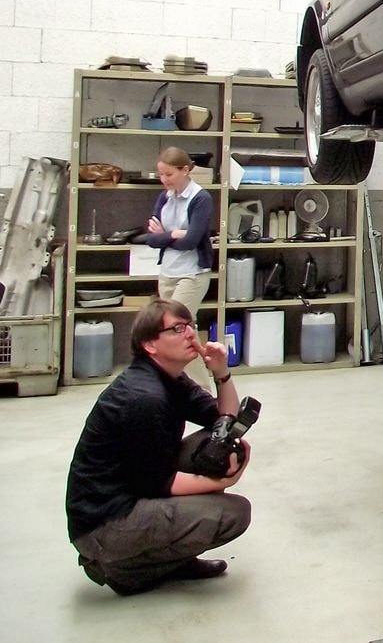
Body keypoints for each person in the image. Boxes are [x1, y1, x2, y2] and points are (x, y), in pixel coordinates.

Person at [65, 299, 252, 596]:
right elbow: (157, 482)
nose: (190, 333)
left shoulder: (170, 377)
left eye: (190, 325)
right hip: (104, 524)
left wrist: (222, 373)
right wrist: (224, 480)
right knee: (234, 512)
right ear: (150, 344)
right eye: (177, 329)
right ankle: (125, 570)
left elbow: (223, 420)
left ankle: (166, 557)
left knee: (216, 443)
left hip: (133, 490)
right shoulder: (144, 397)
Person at [144, 148, 216, 382]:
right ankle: (177, 385)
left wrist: (165, 235)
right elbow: (151, 239)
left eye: (169, 174)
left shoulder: (201, 198)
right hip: (167, 272)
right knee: (169, 331)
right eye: (161, 175)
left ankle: (202, 390)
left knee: (180, 330)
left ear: (185, 170)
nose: (164, 180)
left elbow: (191, 241)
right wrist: (174, 234)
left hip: (192, 274)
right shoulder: (165, 197)